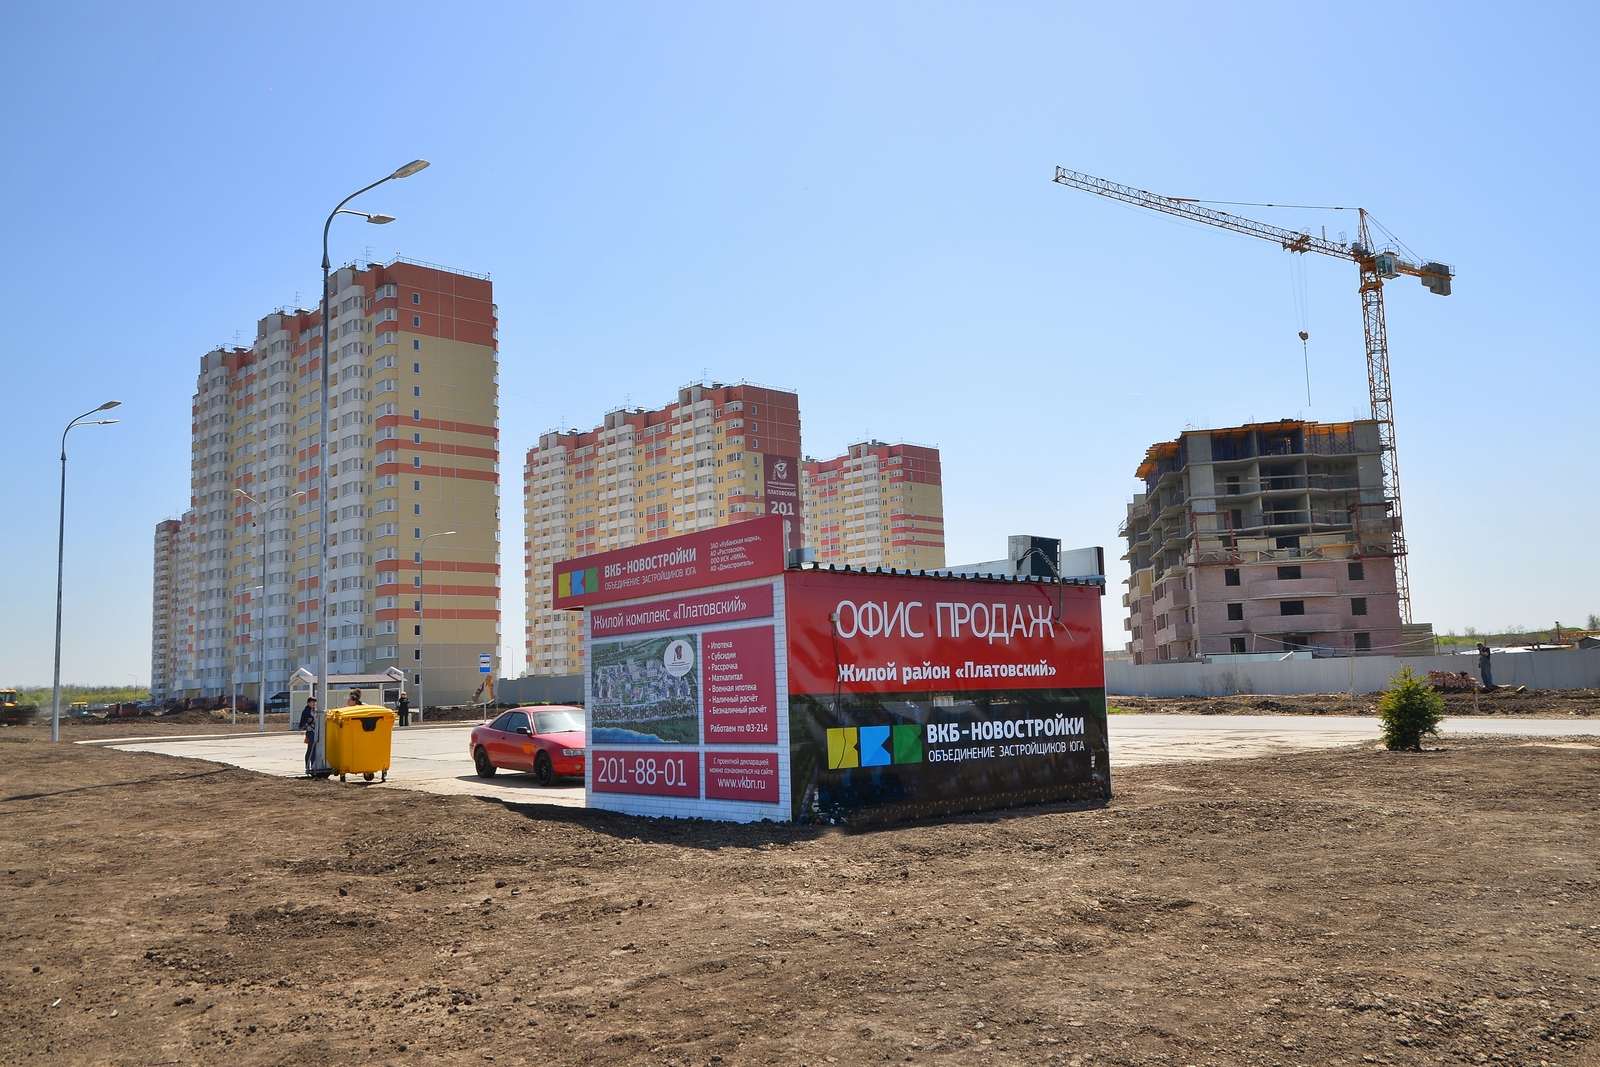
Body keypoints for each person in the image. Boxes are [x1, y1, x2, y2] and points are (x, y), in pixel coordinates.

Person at [298, 697, 318, 775]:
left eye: (315, 702)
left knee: (310, 749)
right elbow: (302, 722)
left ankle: (309, 766)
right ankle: (312, 766)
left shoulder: (312, 711)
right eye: (312, 702)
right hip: (310, 732)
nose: (314, 704)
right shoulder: (306, 711)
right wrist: (307, 726)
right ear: (308, 702)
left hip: (314, 731)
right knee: (312, 749)